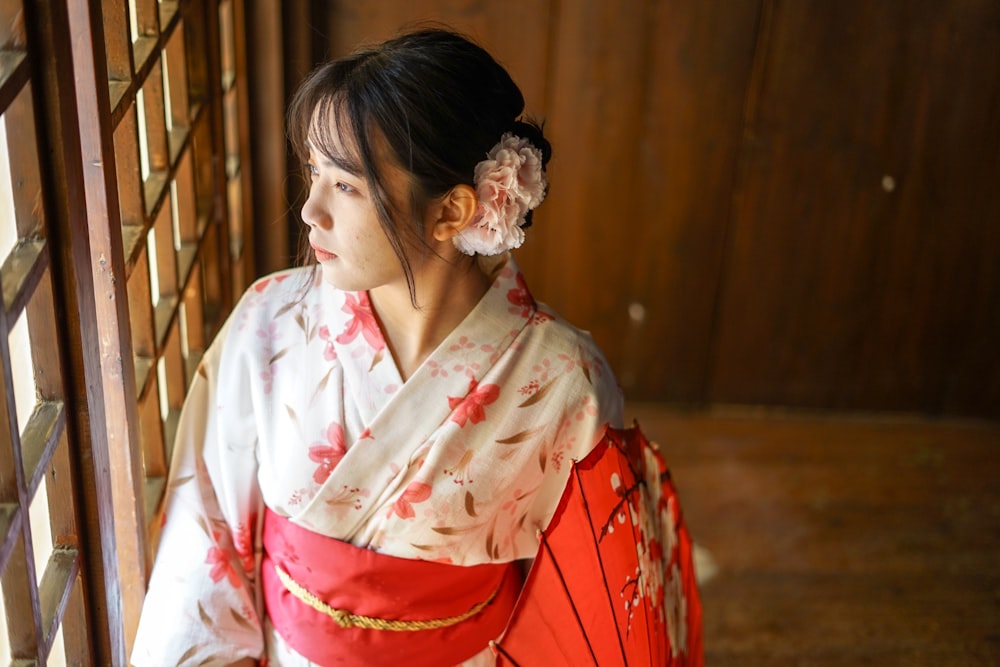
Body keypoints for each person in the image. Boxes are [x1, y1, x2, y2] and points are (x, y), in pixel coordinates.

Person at [132, 27, 697, 666]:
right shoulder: (269, 322)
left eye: (344, 186)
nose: (310, 210)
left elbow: (592, 607)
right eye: (313, 174)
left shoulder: (563, 382)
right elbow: (203, 535)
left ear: (453, 212)